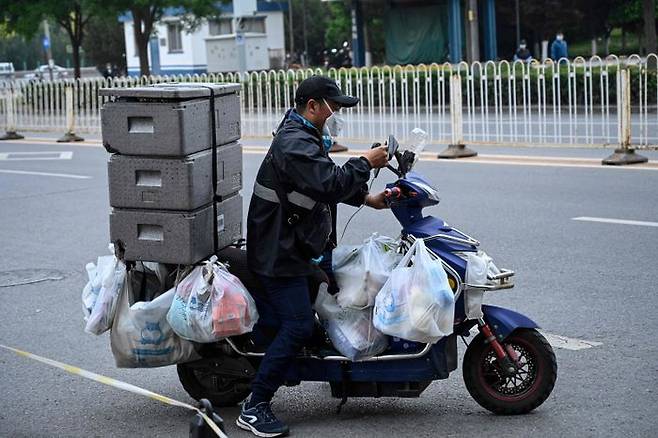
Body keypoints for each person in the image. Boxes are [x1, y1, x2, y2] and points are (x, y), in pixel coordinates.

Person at [240, 75, 389, 437]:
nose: (335, 114)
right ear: (312, 106)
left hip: (294, 246)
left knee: (325, 294)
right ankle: (254, 405)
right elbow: (329, 182)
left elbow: (315, 187)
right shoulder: (294, 142)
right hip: (279, 252)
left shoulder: (304, 135)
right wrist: (365, 163)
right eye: (333, 107)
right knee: (299, 325)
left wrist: (367, 198)